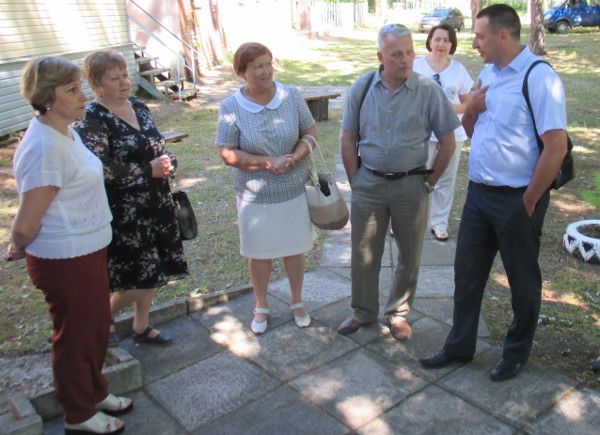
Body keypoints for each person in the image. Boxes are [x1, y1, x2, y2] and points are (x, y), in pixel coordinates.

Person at [419, 4, 569, 382]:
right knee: (466, 275)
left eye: (479, 36)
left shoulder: (539, 77)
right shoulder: (487, 73)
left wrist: (530, 200)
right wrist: (473, 106)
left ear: (503, 36)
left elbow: (556, 147)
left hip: (518, 199)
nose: (474, 43)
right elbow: (470, 126)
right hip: (479, 196)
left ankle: (515, 354)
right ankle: (459, 347)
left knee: (522, 281)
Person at [4, 56, 132, 434]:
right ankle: (78, 414)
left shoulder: (65, 131)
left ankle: (95, 392)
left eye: (80, 87)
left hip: (87, 249)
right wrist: (17, 245)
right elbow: (26, 224)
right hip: (65, 258)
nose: (83, 96)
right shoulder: (44, 146)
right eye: (72, 90)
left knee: (94, 329)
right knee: (76, 337)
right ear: (47, 97)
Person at [337, 24, 459, 340]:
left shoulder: (428, 90)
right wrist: (355, 180)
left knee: (409, 255)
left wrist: (430, 182)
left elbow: (448, 141)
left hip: (412, 187)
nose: (405, 59)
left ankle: (398, 313)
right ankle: (363, 311)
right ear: (381, 57)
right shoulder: (362, 87)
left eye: (409, 52)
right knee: (363, 254)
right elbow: (348, 137)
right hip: (369, 184)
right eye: (396, 54)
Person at [75, 50, 188, 347]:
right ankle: (104, 317)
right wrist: (147, 170)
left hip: (157, 202)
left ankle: (141, 325)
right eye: (115, 78)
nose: (124, 82)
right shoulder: (91, 117)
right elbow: (98, 167)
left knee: (156, 265)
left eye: (125, 75)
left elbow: (154, 146)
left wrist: (167, 161)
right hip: (125, 210)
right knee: (140, 273)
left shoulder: (139, 107)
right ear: (96, 85)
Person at [215, 42, 317, 335]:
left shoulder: (291, 96)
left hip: (293, 190)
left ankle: (297, 301)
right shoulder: (231, 107)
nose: (265, 71)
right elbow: (227, 153)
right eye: (257, 66)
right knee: (259, 253)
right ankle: (261, 305)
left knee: (294, 250)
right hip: (255, 195)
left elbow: (310, 132)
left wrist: (294, 156)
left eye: (268, 64)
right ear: (242, 72)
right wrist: (268, 162)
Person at [413, 24, 474, 241]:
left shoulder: (458, 70)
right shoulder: (416, 66)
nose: (441, 44)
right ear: (430, 41)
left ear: (452, 44)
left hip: (452, 133)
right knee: (417, 176)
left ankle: (439, 223)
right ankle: (410, 221)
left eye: (446, 40)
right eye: (437, 39)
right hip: (422, 132)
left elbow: (469, 102)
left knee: (446, 178)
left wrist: (455, 109)